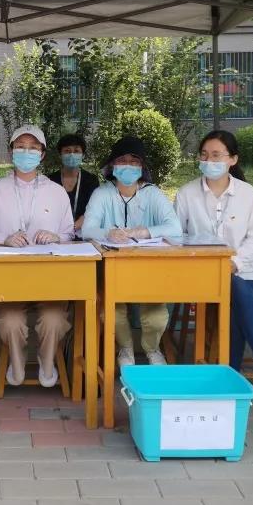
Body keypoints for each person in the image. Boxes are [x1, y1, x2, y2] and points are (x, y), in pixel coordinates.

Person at [174, 130, 253, 397]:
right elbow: (176, 236)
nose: (209, 161)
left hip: (247, 271)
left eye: (216, 155)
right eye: (204, 155)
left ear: (233, 159)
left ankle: (231, 376)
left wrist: (235, 262)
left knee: (235, 294)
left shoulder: (247, 193)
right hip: (202, 274)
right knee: (234, 290)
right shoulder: (186, 194)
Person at [0, 125, 75, 387]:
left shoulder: (56, 191)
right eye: (20, 147)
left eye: (33, 148)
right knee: (11, 321)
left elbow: (69, 233)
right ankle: (16, 362)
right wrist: (3, 238)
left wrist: (56, 236)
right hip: (9, 279)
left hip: (49, 278)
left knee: (54, 320)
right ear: (11, 152)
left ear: (42, 154)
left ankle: (47, 361)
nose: (26, 152)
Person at [81, 135, 183, 367]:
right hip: (111, 269)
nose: (128, 166)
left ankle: (152, 349)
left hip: (149, 268)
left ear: (142, 167)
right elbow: (87, 230)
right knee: (111, 312)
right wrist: (108, 233)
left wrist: (145, 231)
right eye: (122, 161)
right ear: (112, 166)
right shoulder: (102, 193)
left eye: (134, 161)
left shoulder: (152, 193)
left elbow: (175, 228)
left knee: (156, 316)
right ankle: (125, 348)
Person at [47, 133, 99, 231]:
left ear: (83, 155)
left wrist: (81, 222)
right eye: (67, 151)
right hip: (55, 232)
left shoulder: (91, 180)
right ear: (60, 155)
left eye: (76, 151)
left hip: (83, 233)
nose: (72, 154)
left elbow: (95, 209)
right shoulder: (50, 180)